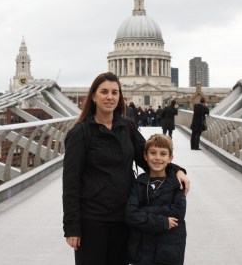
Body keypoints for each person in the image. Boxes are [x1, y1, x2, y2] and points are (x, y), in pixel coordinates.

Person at [62, 72, 190, 265]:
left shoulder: (127, 127)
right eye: (104, 91)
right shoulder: (80, 132)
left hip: (124, 217)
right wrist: (72, 228)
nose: (110, 97)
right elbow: (70, 183)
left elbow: (146, 158)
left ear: (120, 96)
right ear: (94, 96)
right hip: (92, 218)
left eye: (115, 92)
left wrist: (177, 170)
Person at [126, 134, 187, 265]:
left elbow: (178, 213)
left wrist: (144, 211)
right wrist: (163, 222)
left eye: (163, 154)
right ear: (145, 156)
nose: (157, 158)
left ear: (170, 158)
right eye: (153, 153)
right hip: (142, 250)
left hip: (169, 249)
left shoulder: (177, 183)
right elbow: (130, 214)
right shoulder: (139, 183)